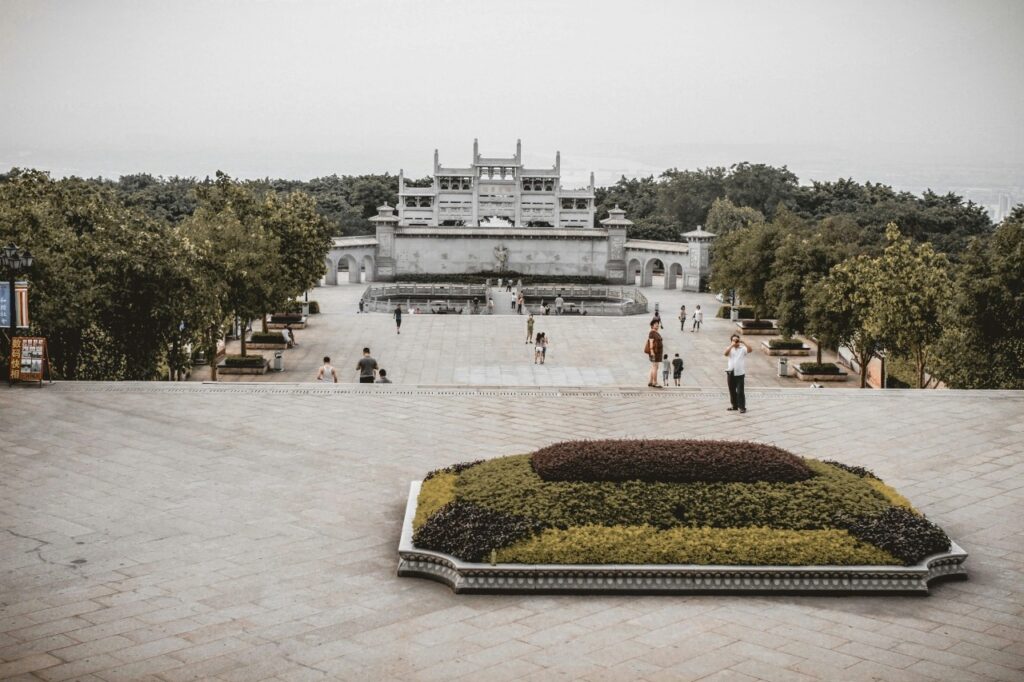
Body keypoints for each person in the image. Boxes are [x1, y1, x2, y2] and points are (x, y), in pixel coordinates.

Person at [724, 334, 752, 413]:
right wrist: (731, 345)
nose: (735, 341)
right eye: (734, 340)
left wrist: (744, 342)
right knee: (732, 391)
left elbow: (750, 350)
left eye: (737, 340)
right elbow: (725, 354)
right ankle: (734, 406)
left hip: (740, 373)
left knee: (740, 391)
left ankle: (742, 407)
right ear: (731, 341)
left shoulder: (743, 349)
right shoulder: (729, 348)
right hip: (730, 372)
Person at [645, 319, 663, 388]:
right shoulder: (652, 333)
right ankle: (655, 382)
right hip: (655, 352)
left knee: (654, 367)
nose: (657, 325)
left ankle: (650, 381)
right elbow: (651, 342)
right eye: (655, 324)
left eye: (658, 324)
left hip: (657, 352)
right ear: (652, 325)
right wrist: (652, 351)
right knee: (655, 367)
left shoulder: (655, 332)